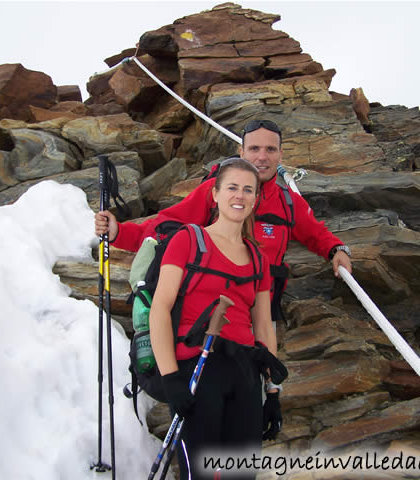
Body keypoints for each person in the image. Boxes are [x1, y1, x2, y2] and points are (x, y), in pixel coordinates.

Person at [95, 119, 353, 324]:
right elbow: (166, 226)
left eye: (270, 149)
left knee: (260, 385)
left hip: (262, 310)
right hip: (210, 307)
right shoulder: (215, 192)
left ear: (280, 155)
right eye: (254, 149)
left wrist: (337, 250)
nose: (262, 157)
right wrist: (119, 233)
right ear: (241, 152)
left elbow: (315, 233)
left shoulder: (289, 203)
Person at [149, 158, 281, 480]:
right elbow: (160, 309)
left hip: (245, 373)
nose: (240, 195)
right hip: (197, 370)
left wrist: (273, 392)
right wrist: (170, 378)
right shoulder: (187, 240)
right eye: (232, 187)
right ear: (216, 195)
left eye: (248, 189)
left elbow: (263, 325)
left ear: (255, 198)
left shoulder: (258, 259)